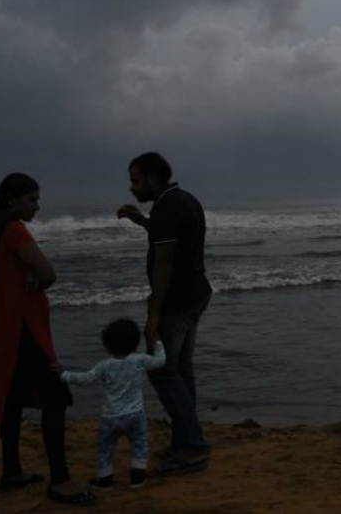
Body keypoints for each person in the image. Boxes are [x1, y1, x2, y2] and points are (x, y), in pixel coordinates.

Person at [0, 173, 97, 506]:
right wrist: (39, 282)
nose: (37, 206)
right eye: (32, 200)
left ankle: (11, 472)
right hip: (23, 329)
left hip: (1, 327)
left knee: (11, 398)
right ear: (12, 199)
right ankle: (61, 479)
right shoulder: (12, 228)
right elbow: (48, 272)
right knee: (55, 398)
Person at [116, 152, 213, 475]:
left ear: (153, 178)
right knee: (180, 369)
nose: (131, 187)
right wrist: (143, 222)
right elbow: (174, 241)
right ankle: (185, 441)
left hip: (177, 300)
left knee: (161, 370)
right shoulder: (183, 200)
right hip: (196, 294)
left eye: (135, 180)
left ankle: (193, 445)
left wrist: (153, 315)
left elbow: (165, 262)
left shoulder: (168, 206)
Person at [57, 318, 167, 490]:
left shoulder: (104, 366)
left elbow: (85, 379)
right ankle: (137, 476)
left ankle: (105, 479)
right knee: (139, 444)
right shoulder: (140, 360)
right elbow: (160, 361)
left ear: (107, 345)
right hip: (135, 414)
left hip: (111, 416)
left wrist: (63, 374)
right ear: (135, 343)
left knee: (105, 448)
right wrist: (158, 343)